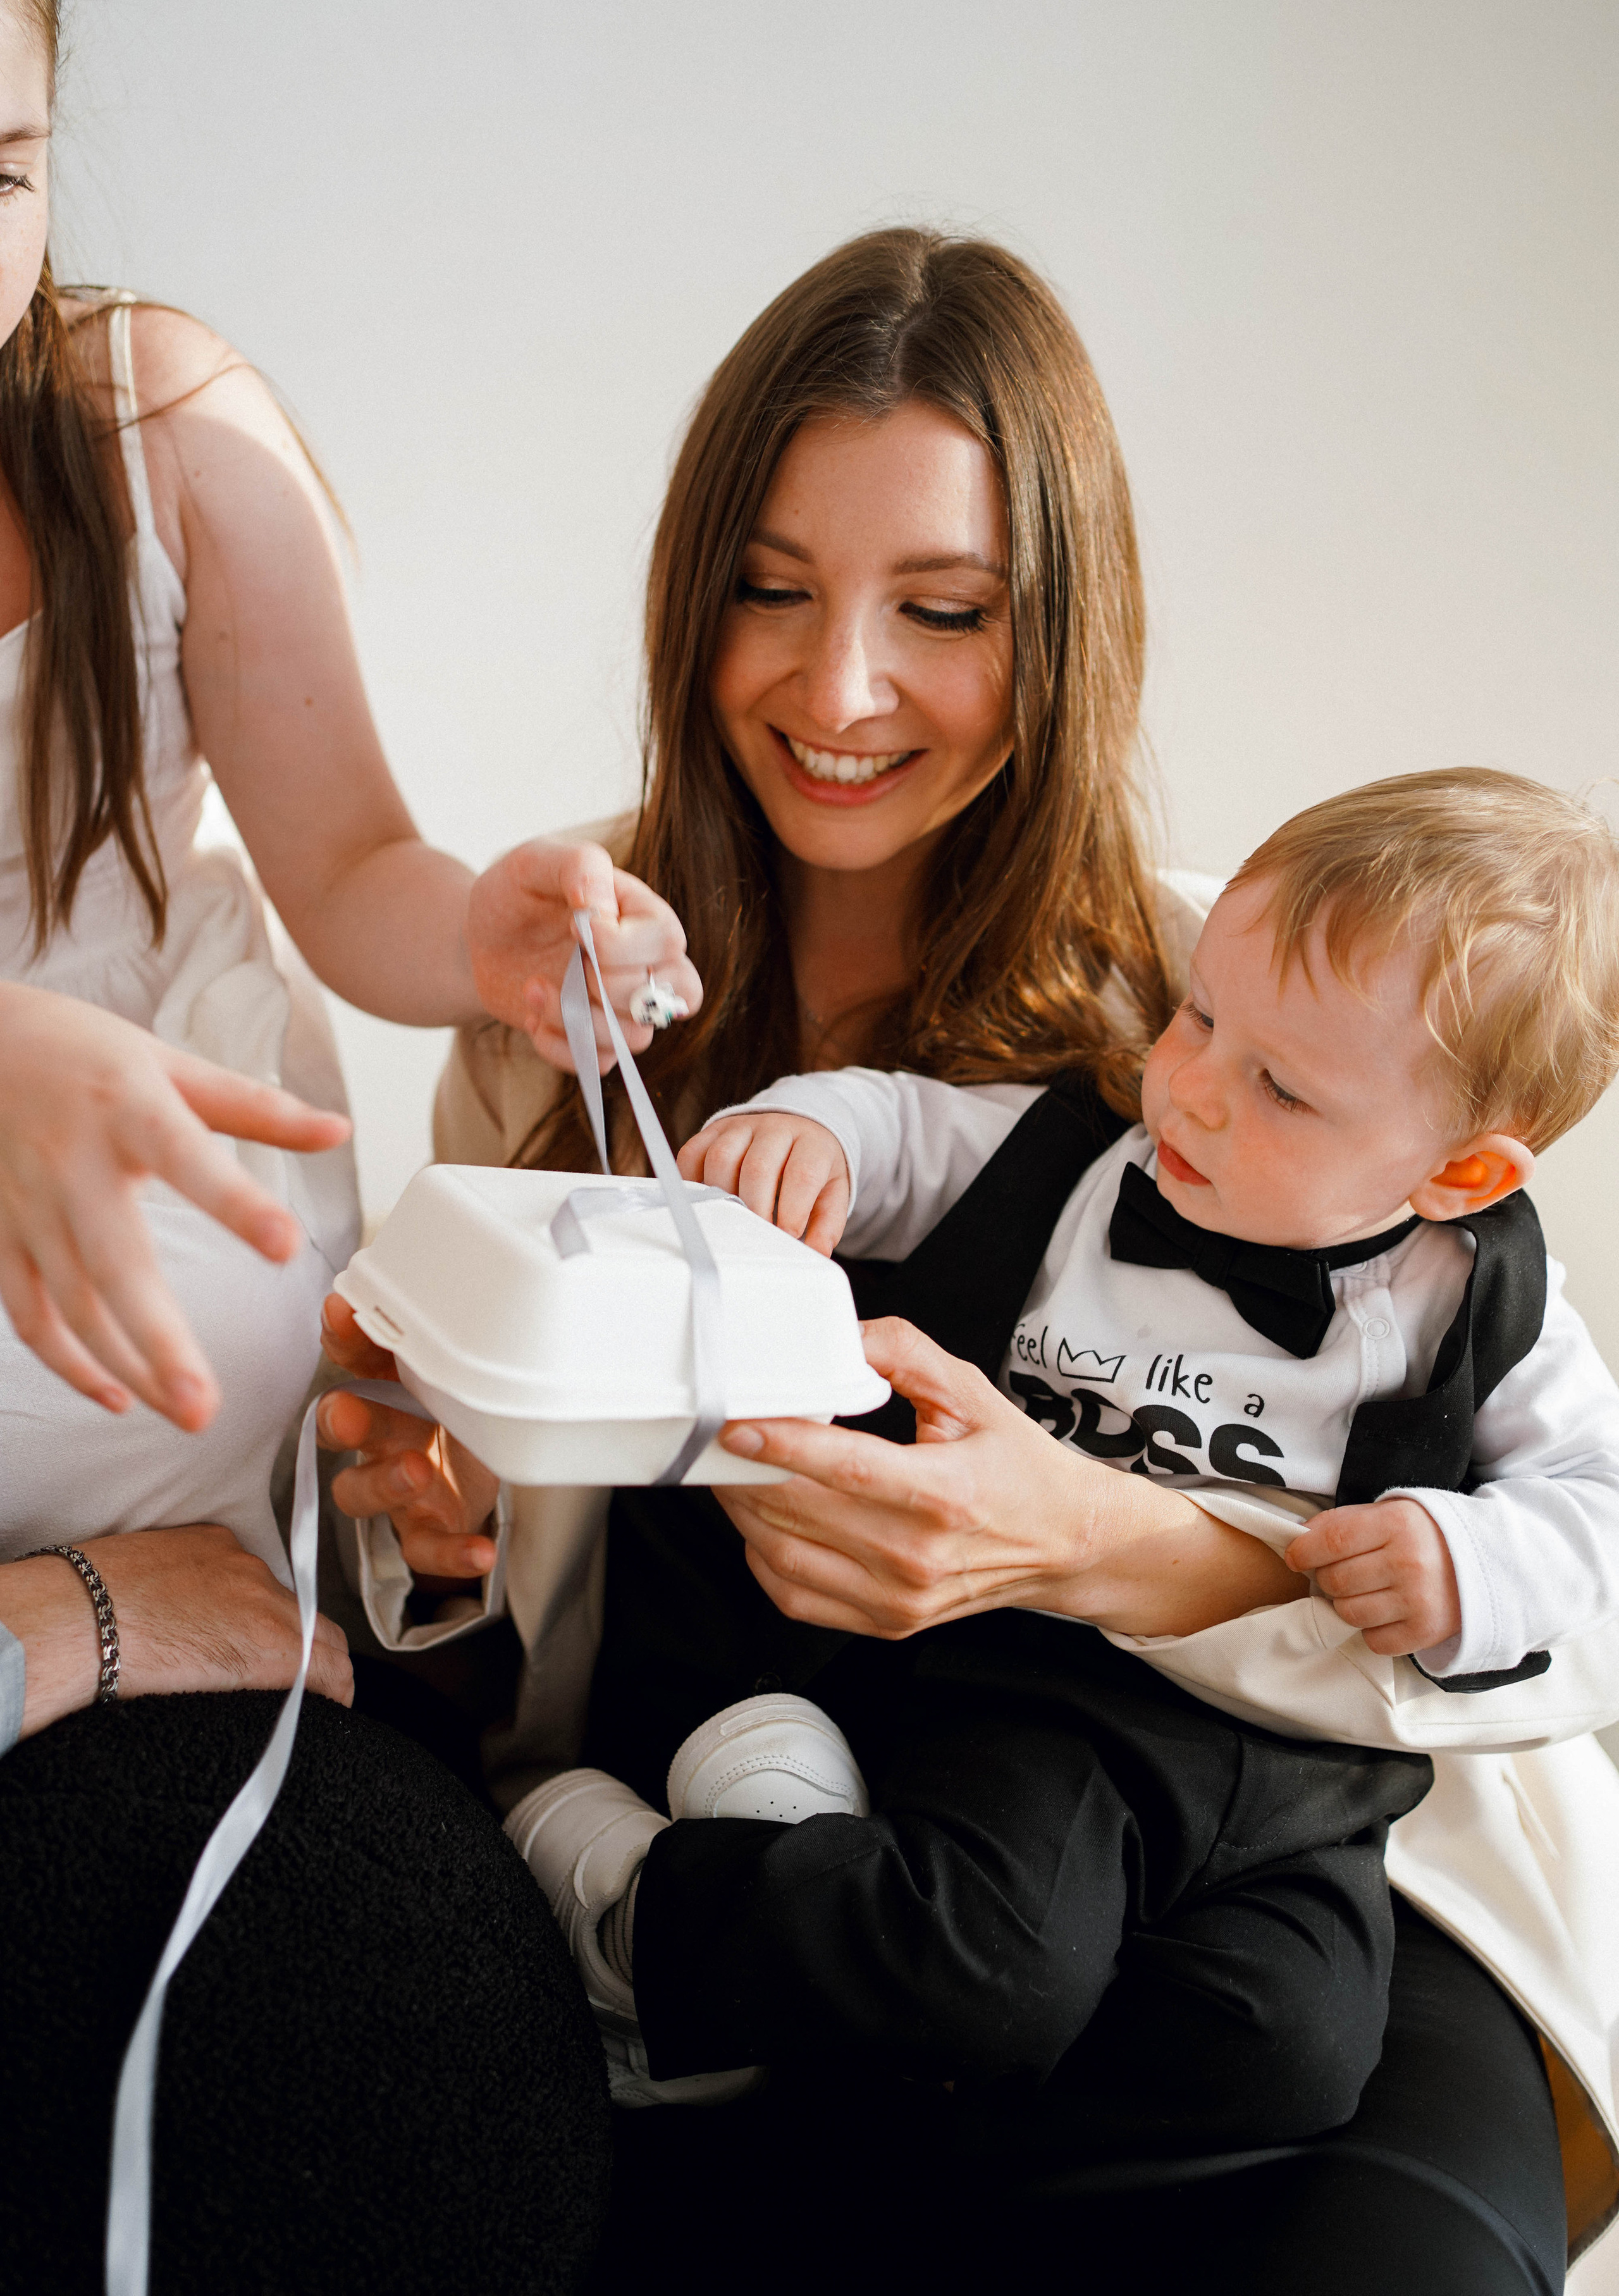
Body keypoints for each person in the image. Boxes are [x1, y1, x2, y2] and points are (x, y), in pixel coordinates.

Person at [323, 229, 1619, 2290]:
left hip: (1309, 1869)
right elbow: (510, 1602)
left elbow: (1547, 1592)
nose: (841, 690)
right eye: (772, 589)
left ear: (1063, 630)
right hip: (808, 1841)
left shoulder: (1235, 990)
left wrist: (1104, 1546)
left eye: (942, 611)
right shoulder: (569, 1007)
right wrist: (441, 1529)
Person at [500, 768, 1608, 2113]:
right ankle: (631, 1903)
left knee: (1289, 2060)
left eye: (1280, 1089)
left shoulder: (1489, 1303)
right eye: (1200, 1015)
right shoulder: (1083, 1160)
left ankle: (830, 1942)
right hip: (1042, 1690)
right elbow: (906, 1126)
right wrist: (810, 1132)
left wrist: (1470, 1562)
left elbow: (1592, 1506)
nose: (1190, 1089)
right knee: (989, 1967)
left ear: (1459, 1173)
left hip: (1299, 1765)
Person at [0, 0, 611, 2287]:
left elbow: (352, 857)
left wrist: (492, 933)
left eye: (1, 167)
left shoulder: (151, 432)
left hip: (222, 1581)